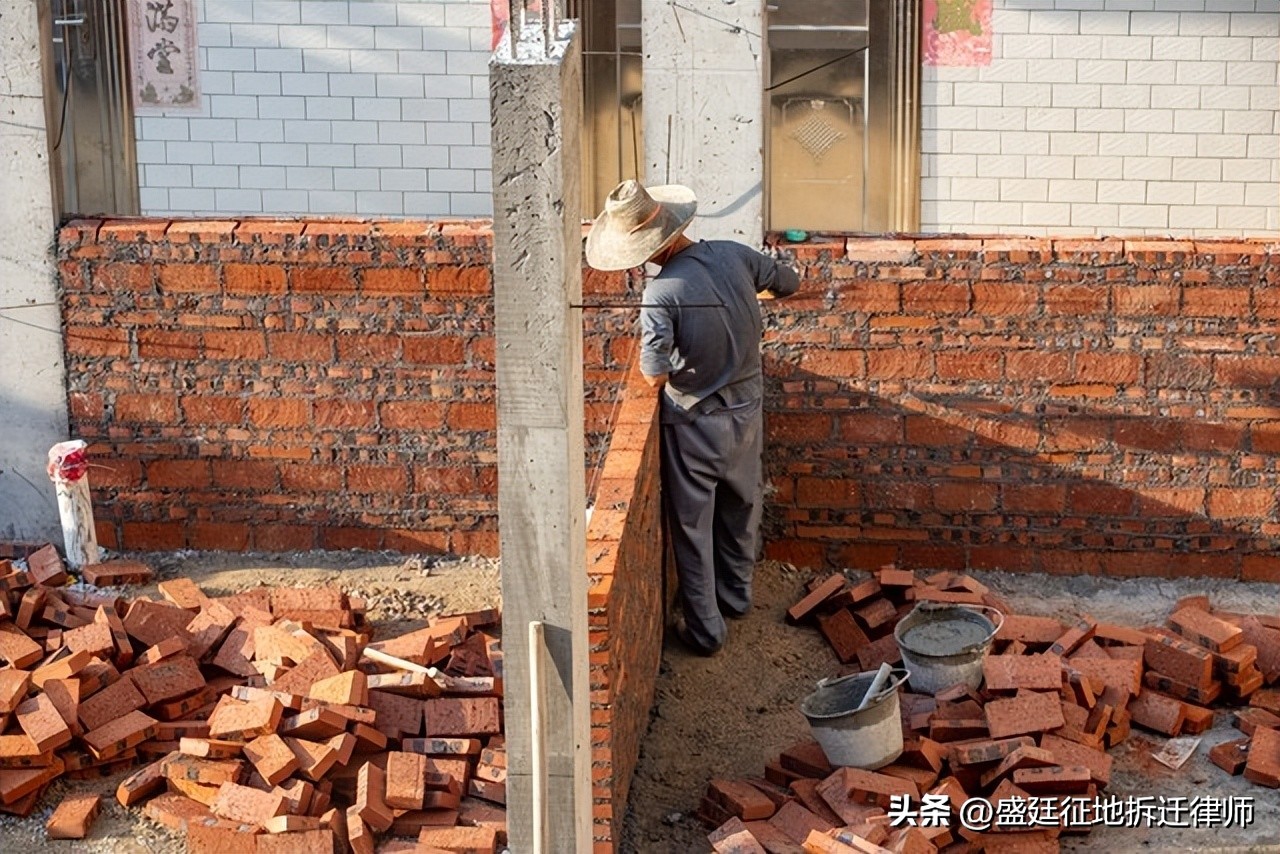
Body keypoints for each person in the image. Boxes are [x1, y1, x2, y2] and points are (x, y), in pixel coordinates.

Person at [585, 180, 800, 655]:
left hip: (696, 422)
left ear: (646, 249)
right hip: (747, 411)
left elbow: (654, 375)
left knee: (692, 527)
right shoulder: (735, 254)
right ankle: (737, 598)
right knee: (742, 507)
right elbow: (788, 282)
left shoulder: (660, 293)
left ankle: (706, 631)